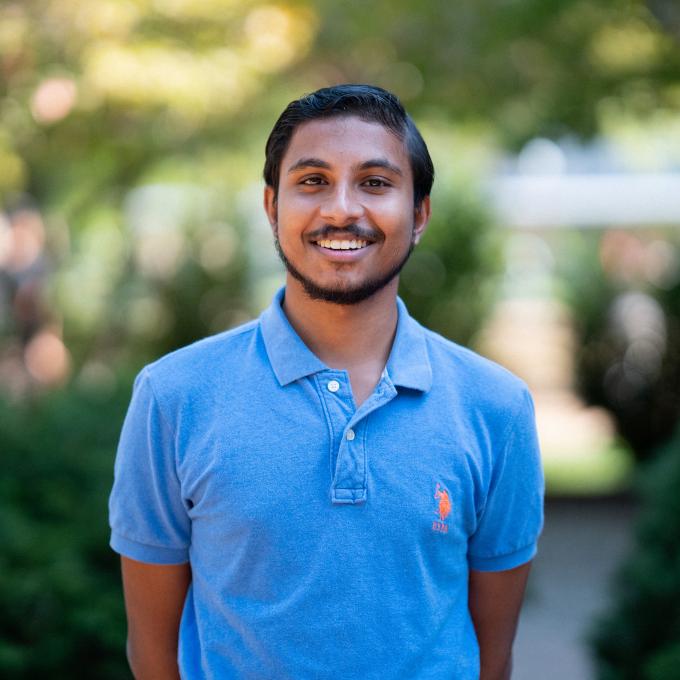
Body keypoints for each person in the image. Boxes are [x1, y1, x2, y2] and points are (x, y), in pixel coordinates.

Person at [109, 84, 544, 680]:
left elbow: (492, 658)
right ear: (272, 208)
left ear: (418, 214)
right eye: (312, 181)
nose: (342, 209)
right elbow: (152, 656)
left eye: (375, 183)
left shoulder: (497, 408)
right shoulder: (174, 396)